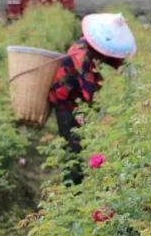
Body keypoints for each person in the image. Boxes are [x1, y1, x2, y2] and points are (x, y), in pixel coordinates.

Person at [48, 13, 136, 183]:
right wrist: (102, 113)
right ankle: (72, 187)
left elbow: (108, 56)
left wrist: (124, 66)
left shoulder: (91, 47)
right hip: (65, 101)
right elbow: (88, 89)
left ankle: (78, 179)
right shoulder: (80, 53)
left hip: (76, 100)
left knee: (80, 142)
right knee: (72, 146)